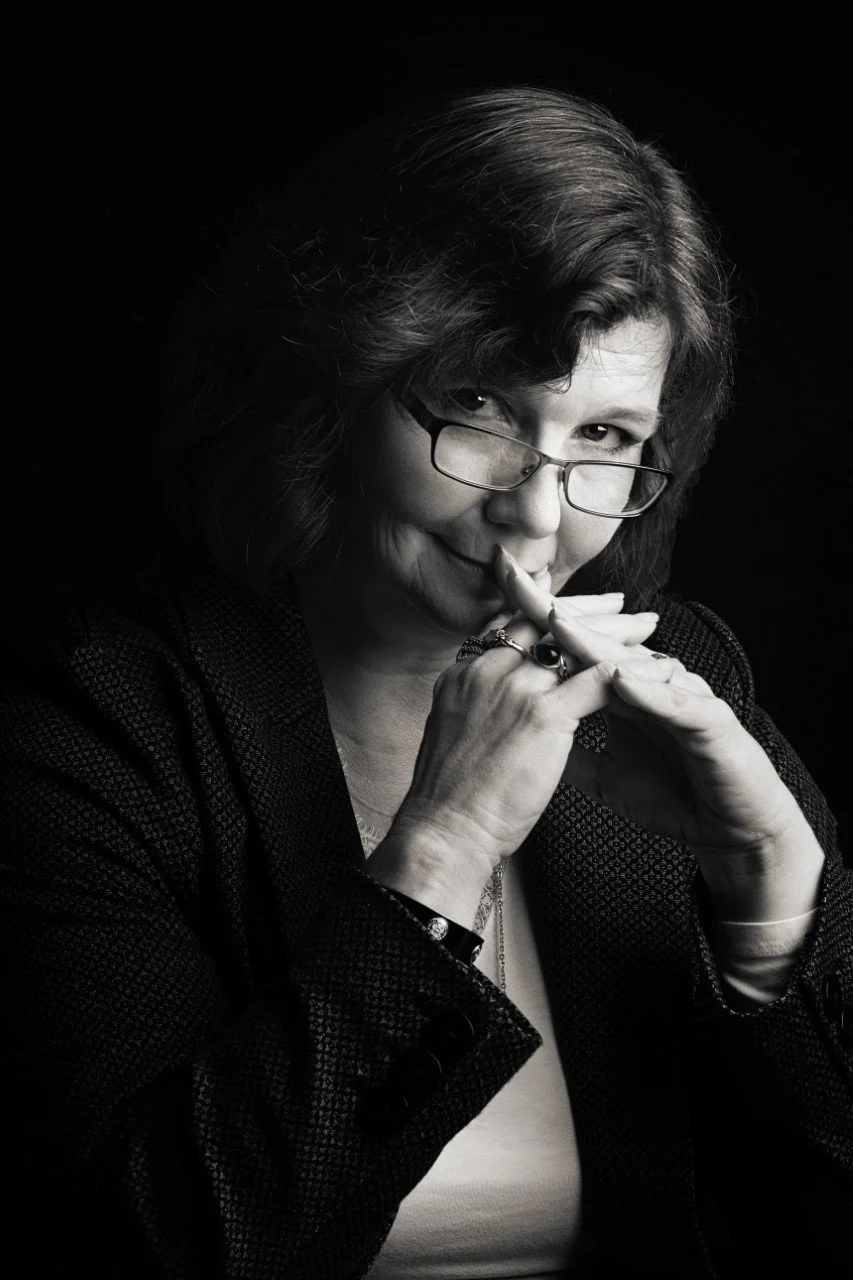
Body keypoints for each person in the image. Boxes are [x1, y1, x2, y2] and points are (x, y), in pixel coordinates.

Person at [1, 83, 850, 1280]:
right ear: (331, 392)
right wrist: (442, 846)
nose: (536, 512)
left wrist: (775, 916)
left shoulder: (684, 673)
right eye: (478, 406)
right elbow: (139, 1249)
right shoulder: (99, 727)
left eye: (603, 438)